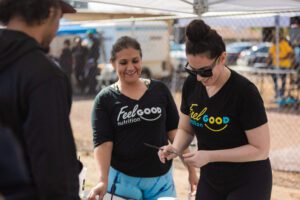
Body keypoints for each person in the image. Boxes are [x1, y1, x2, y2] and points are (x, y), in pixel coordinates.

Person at [159, 19, 272, 200]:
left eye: (204, 71)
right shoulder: (192, 85)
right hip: (211, 179)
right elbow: (185, 128)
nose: (198, 78)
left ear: (222, 58)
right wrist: (175, 147)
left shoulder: (244, 92)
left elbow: (261, 149)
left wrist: (210, 156)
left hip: (248, 180)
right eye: (192, 70)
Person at [87, 36, 198, 200]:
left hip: (161, 182)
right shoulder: (105, 99)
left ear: (141, 60)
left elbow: (176, 133)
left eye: (135, 61)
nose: (130, 67)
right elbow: (103, 143)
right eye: (123, 62)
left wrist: (191, 171)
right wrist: (103, 180)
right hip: (122, 181)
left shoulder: (159, 90)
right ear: (113, 63)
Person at [0, 0, 81, 199]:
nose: (57, 28)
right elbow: (54, 168)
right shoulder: (44, 75)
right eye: (59, 18)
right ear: (50, 11)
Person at [268, 32, 294, 100]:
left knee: (283, 80)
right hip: (276, 65)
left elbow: (290, 53)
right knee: (274, 77)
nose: (277, 38)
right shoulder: (274, 44)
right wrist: (268, 61)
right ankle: (277, 92)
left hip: (284, 65)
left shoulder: (284, 43)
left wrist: (283, 58)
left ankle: (281, 93)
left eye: (278, 36)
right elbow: (270, 54)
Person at [86, 30, 100, 94]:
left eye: (88, 35)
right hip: (93, 59)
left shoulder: (92, 41)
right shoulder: (95, 40)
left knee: (91, 75)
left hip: (92, 60)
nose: (88, 36)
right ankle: (92, 89)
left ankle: (92, 90)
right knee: (92, 75)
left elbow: (89, 49)